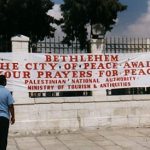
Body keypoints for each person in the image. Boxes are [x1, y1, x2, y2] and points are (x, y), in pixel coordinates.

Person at [0, 75, 15, 150]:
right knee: (3, 138)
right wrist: (13, 117)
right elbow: (11, 106)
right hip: (4, 118)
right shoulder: (7, 92)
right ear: (4, 82)